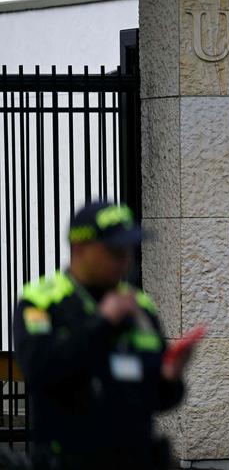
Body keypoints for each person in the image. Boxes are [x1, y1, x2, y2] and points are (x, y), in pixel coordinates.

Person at [13, 201, 188, 470]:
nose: (125, 260)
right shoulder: (42, 302)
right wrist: (103, 323)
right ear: (80, 248)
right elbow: (41, 369)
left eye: (128, 249)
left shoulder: (138, 306)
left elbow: (158, 399)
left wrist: (170, 377)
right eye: (114, 251)